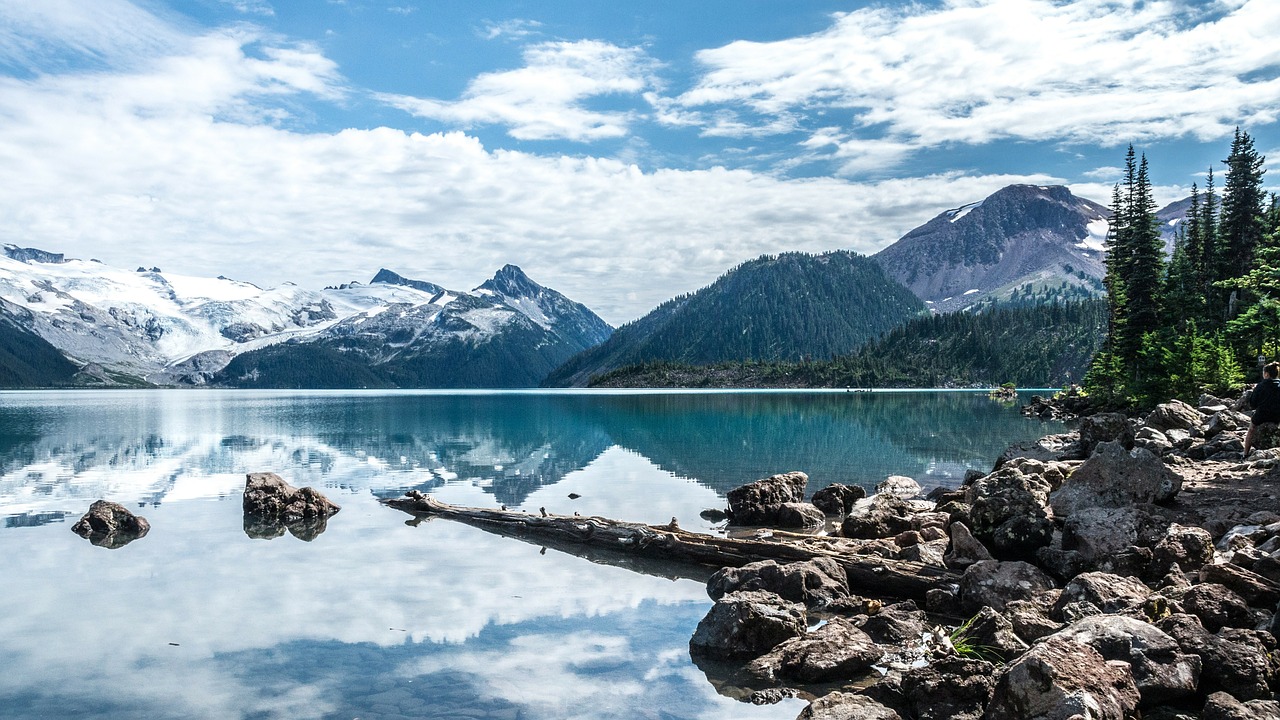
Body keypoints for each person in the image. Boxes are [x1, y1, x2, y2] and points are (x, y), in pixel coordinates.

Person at [1244, 361, 1280, 456]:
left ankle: (1245, 454)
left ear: (1266, 374)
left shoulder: (1260, 386)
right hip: (1278, 415)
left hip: (1262, 415)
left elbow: (1253, 403)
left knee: (1251, 429)